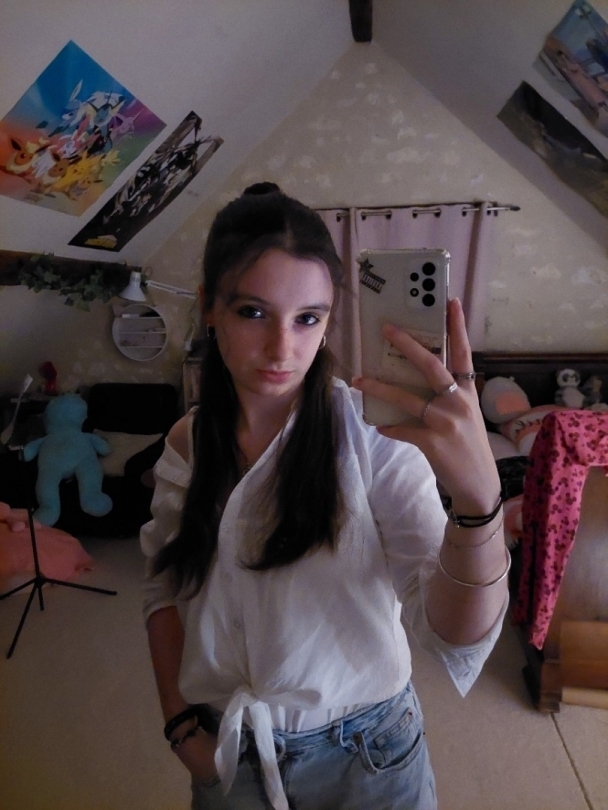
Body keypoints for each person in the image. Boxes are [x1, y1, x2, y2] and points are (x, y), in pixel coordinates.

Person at [141, 183, 509, 810]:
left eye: (308, 318)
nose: (283, 348)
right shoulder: (186, 444)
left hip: (368, 757)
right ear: (210, 309)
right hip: (230, 755)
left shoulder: (377, 440)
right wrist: (182, 730)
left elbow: (453, 632)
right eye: (253, 312)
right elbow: (163, 589)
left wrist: (480, 502)